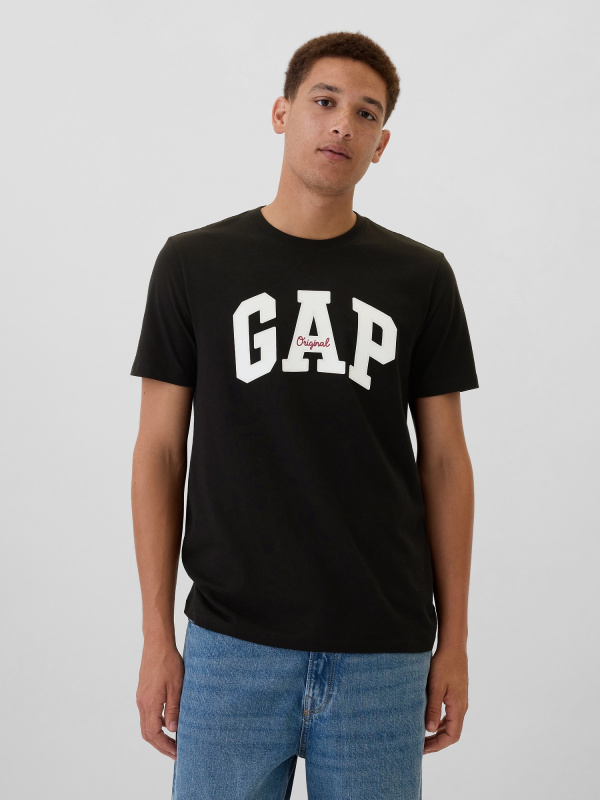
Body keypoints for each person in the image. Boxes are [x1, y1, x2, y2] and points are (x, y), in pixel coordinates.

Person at [130, 30, 479, 800]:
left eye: (366, 113)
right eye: (325, 101)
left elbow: (445, 460)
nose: (342, 124)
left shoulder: (421, 276)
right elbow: (159, 450)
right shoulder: (193, 263)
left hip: (382, 651)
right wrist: (158, 637)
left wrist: (453, 639)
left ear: (381, 144)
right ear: (282, 113)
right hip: (231, 647)